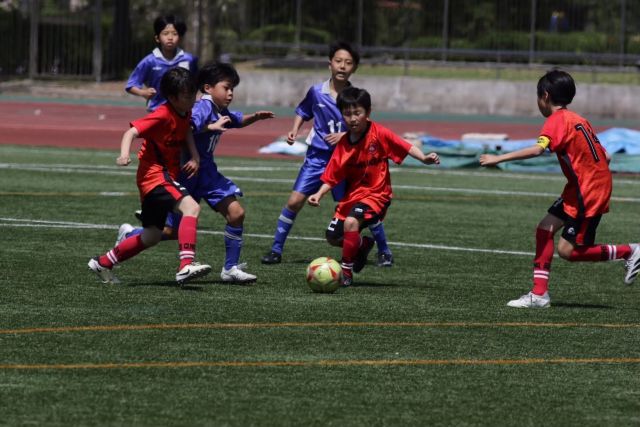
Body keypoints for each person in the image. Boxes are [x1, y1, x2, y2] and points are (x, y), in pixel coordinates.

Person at [479, 69, 640, 308]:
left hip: (588, 191)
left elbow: (537, 149)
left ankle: (629, 251)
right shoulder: (577, 119)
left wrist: (497, 159)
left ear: (544, 95)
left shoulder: (556, 121)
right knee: (545, 229)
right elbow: (605, 157)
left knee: (569, 252)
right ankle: (539, 295)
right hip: (580, 186)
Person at [118, 62, 275, 283]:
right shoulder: (202, 107)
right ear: (208, 88)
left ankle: (230, 269)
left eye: (233, 89)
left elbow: (237, 121)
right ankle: (131, 235)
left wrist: (255, 117)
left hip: (208, 174)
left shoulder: (220, 109)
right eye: (226, 87)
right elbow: (186, 128)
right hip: (186, 174)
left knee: (236, 214)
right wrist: (209, 129)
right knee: (171, 232)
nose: (230, 93)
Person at [261, 41, 395, 267]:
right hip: (317, 158)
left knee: (358, 208)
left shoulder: (354, 97)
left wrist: (344, 136)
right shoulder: (316, 92)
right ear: (330, 64)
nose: (342, 66)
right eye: (338, 61)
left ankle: (384, 251)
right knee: (294, 201)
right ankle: (275, 249)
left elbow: (365, 126)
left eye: (348, 63)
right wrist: (294, 130)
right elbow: (303, 111)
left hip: (347, 162)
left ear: (355, 68)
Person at [89, 67, 211, 286]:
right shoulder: (162, 114)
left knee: (152, 236)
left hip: (156, 179)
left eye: (194, 93)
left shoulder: (184, 111)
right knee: (191, 208)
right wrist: (124, 155)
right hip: (155, 176)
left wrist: (195, 156)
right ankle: (185, 266)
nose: (193, 98)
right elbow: (132, 132)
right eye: (187, 95)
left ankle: (103, 262)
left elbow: (186, 132)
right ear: (172, 98)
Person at [308, 87, 440, 287]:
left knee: (351, 222)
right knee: (334, 237)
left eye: (357, 113)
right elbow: (332, 175)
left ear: (368, 113)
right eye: (347, 114)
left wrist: (424, 158)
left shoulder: (379, 133)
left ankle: (346, 274)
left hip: (377, 194)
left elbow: (404, 145)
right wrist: (318, 194)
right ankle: (364, 244)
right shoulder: (343, 144)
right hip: (353, 196)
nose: (352, 118)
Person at [126, 15, 198, 112]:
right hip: (157, 110)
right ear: (157, 38)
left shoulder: (189, 59)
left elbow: (198, 83)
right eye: (165, 33)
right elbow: (131, 85)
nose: (170, 37)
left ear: (180, 38)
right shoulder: (150, 61)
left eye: (174, 34)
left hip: (183, 111)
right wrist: (143, 92)